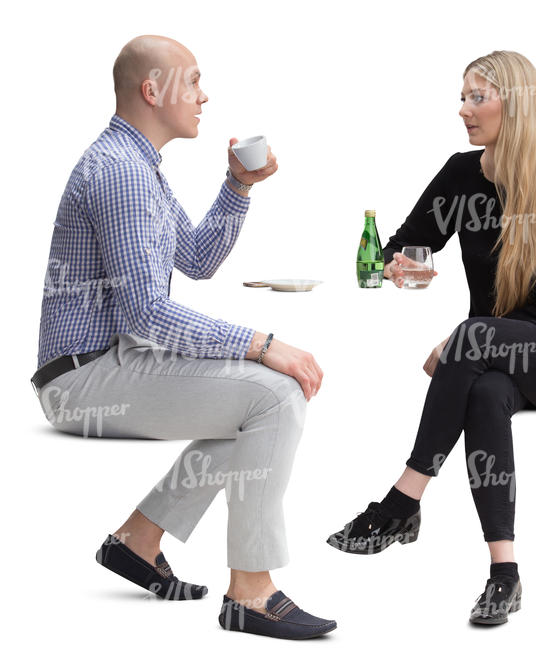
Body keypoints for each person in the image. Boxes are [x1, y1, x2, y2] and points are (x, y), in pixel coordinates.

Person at [30, 34, 336, 641]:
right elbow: (146, 314)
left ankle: (138, 540)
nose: (204, 95)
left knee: (264, 400)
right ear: (153, 90)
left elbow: (195, 258)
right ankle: (251, 591)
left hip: (103, 364)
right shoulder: (121, 173)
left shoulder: (138, 164)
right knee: (274, 394)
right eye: (193, 81)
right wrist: (262, 341)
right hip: (83, 379)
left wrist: (238, 186)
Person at [326, 50, 536, 626]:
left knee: (474, 341)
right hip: (493, 350)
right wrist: (396, 267)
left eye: (476, 97)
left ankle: (400, 504)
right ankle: (504, 574)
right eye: (462, 96)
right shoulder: (462, 175)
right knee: (485, 395)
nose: (463, 109)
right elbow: (399, 245)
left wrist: (465, 341)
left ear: (514, 106)